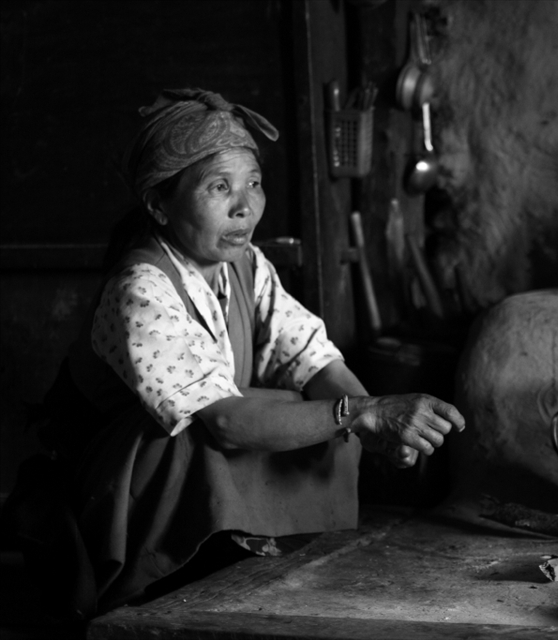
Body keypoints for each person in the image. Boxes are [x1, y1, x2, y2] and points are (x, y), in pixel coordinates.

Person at [7, 88, 465, 618]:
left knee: (324, 413)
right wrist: (363, 414)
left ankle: (269, 556)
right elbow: (225, 424)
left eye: (253, 183)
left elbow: (314, 359)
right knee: (217, 433)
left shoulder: (246, 265)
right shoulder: (140, 287)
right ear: (159, 203)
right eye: (219, 187)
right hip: (123, 492)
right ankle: (182, 569)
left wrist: (377, 419)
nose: (244, 206)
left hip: (203, 458)